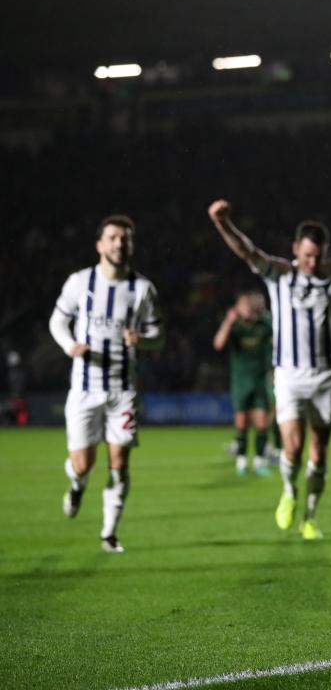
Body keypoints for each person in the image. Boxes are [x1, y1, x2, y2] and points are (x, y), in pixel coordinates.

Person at [209, 199, 331, 540]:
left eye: (318, 256)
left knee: (319, 450)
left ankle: (310, 517)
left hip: (325, 377)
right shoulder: (280, 274)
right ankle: (290, 492)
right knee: (292, 446)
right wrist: (223, 224)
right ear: (295, 250)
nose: (312, 262)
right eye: (307, 256)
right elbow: (248, 252)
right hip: (289, 376)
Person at [48, 214, 164, 553]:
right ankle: (76, 484)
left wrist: (142, 339)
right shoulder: (80, 282)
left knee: (120, 462)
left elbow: (160, 335)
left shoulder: (142, 289)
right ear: (100, 245)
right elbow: (58, 321)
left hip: (123, 391)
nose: (119, 243)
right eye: (112, 237)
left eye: (125, 238)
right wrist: (70, 346)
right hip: (84, 389)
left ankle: (109, 533)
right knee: (83, 464)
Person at [213, 290, 274, 476]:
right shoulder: (236, 328)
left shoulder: (264, 325)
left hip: (260, 379)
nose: (247, 309)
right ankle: (241, 462)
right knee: (241, 423)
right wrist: (228, 321)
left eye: (249, 305)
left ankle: (259, 461)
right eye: (243, 306)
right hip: (241, 380)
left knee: (262, 423)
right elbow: (218, 344)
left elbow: (279, 330)